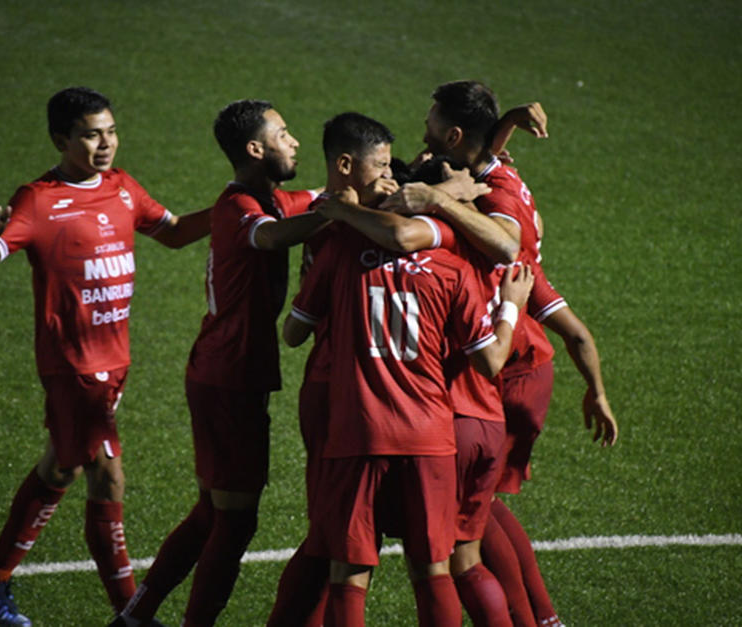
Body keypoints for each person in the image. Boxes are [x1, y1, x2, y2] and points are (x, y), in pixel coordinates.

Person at [0, 86, 211, 627]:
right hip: (71, 365)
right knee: (107, 476)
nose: (106, 144)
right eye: (91, 135)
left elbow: (173, 234)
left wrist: (232, 211)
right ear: (61, 140)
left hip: (114, 361)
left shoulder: (122, 188)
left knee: (62, 465)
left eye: (111, 132)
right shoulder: (38, 200)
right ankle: (130, 612)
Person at [266, 113, 516, 626]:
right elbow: (490, 356)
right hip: (429, 431)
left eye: (388, 171)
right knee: (435, 566)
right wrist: (510, 305)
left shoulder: (335, 241)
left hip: (352, 420)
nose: (385, 178)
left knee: (342, 562)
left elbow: (292, 331)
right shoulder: (449, 261)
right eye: (379, 167)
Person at [113, 100, 328, 627]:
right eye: (283, 134)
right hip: (230, 377)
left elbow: (322, 195)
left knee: (212, 512)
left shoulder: (271, 200)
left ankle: (134, 616)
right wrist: (338, 215)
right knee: (235, 523)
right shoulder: (238, 208)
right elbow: (272, 236)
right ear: (255, 149)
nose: (295, 141)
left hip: (222, 371)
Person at [416, 79, 618, 626]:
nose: (423, 139)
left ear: (455, 137)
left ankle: (534, 621)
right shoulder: (499, 176)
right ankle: (546, 620)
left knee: (467, 533)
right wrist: (506, 120)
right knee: (483, 510)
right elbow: (576, 332)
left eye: (432, 127)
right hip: (526, 368)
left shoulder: (499, 228)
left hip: (503, 372)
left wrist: (438, 200)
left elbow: (503, 239)